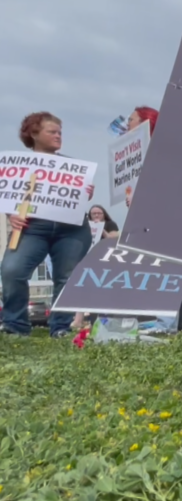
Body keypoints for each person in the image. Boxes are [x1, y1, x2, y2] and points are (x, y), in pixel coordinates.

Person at [1, 112, 93, 338]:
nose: (58, 136)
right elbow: (8, 193)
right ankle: (15, 325)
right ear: (33, 134)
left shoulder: (72, 166)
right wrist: (11, 215)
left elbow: (80, 198)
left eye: (60, 132)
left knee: (67, 277)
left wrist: (87, 193)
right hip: (32, 228)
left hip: (72, 229)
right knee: (12, 270)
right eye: (52, 132)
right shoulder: (18, 166)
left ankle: (60, 327)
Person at [124, 106, 158, 208]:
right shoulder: (131, 153)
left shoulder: (155, 151)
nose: (127, 123)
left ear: (144, 122)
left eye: (130, 119)